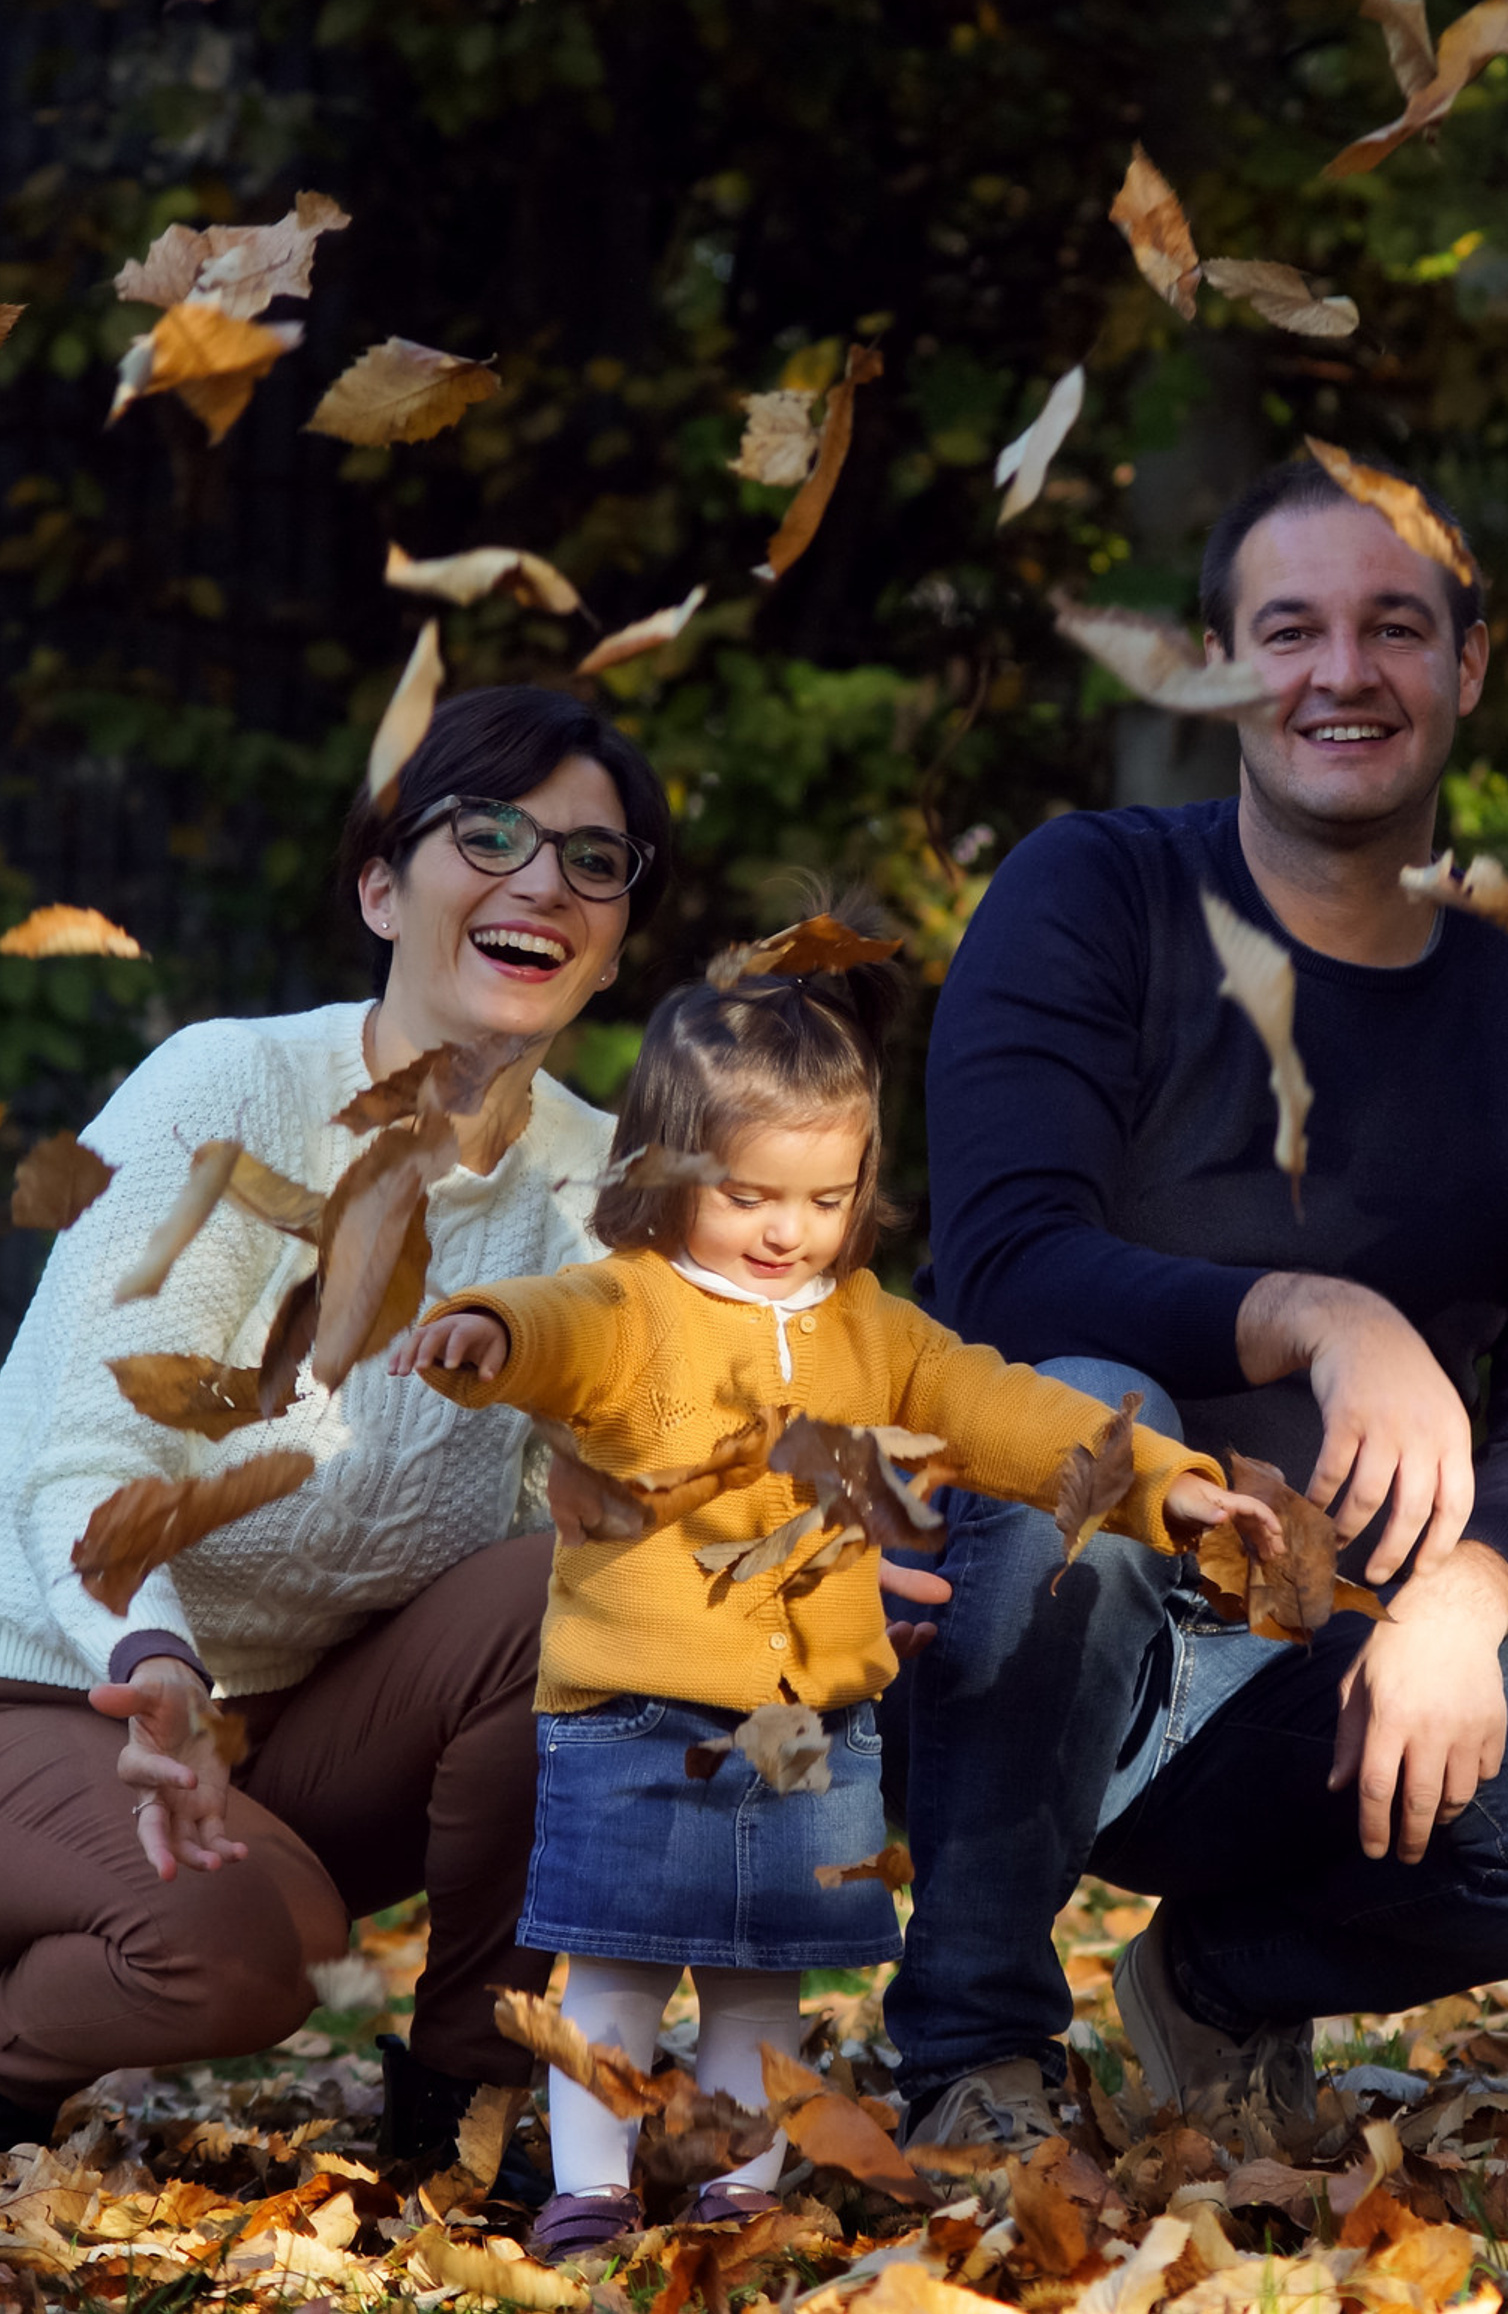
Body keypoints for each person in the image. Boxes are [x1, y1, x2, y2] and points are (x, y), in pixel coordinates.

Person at [887, 455, 1508, 2152]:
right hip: (994, 1625)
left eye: (1396, 628)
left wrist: (1466, 1604)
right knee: (1097, 1401)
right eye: (1290, 631)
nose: (1344, 673)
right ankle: (973, 2049)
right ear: (1218, 666)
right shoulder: (1092, 894)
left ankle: (1221, 1984)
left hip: (1302, 1657)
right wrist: (1319, 1316)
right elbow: (1002, 1268)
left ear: (1468, 664)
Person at [395, 916, 1280, 2257]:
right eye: (751, 1195)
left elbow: (1002, 1409)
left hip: (810, 1728)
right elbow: (554, 1325)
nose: (788, 1231)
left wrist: (1163, 1482)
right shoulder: (633, 1304)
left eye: (825, 1200)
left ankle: (740, 2186)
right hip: (639, 1720)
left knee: (763, 1985)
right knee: (619, 1974)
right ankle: (592, 2190)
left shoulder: (871, 1328)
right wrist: (489, 1331)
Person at [0, 690, 686, 2164]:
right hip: (57, 1683)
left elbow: (630, 1501)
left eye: (592, 860)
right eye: (488, 836)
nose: (542, 883)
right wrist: (157, 1660)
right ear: (382, 888)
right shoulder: (233, 1092)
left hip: (293, 1733)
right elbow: (92, 1460)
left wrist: (810, 1561)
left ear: (618, 937)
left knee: (593, 1588)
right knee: (243, 1954)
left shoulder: (600, 1188)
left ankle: (462, 2114)